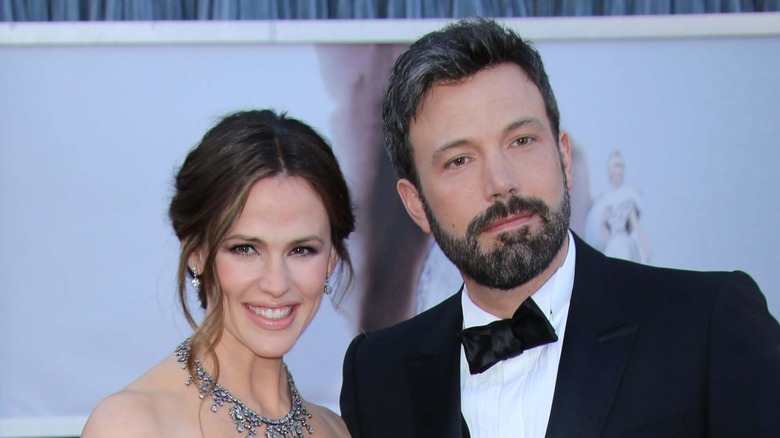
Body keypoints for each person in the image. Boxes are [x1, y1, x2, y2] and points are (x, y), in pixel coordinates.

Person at [339, 18, 780, 438]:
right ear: (416, 203)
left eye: (522, 141)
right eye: (460, 160)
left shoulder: (705, 325)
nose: (501, 182)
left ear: (564, 157)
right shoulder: (378, 372)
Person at [83, 109, 354, 437]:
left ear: (331, 260)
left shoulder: (334, 430)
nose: (276, 284)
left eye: (301, 250)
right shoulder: (133, 425)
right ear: (196, 253)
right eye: (244, 249)